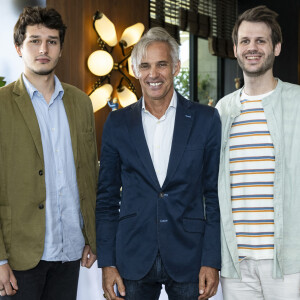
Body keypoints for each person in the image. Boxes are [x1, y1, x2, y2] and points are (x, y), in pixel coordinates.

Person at [96, 27, 221, 300]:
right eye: (145, 66)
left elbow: (213, 195)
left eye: (162, 64)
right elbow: (106, 198)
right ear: (135, 70)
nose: (153, 74)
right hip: (133, 255)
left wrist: (212, 259)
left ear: (176, 67)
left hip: (190, 255)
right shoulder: (117, 124)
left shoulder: (206, 119)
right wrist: (107, 262)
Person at [0, 6, 98, 299]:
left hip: (70, 252)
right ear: (19, 47)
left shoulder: (81, 103)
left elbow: (90, 175)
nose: (44, 48)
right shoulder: (2, 104)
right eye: (35, 40)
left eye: (52, 41)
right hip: (19, 258)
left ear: (60, 48)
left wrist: (92, 236)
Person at [216, 5, 300, 300]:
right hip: (236, 264)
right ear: (236, 49)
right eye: (245, 41)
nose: (252, 48)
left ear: (276, 47)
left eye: (260, 41)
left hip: (289, 263)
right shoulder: (222, 110)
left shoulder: (297, 102)